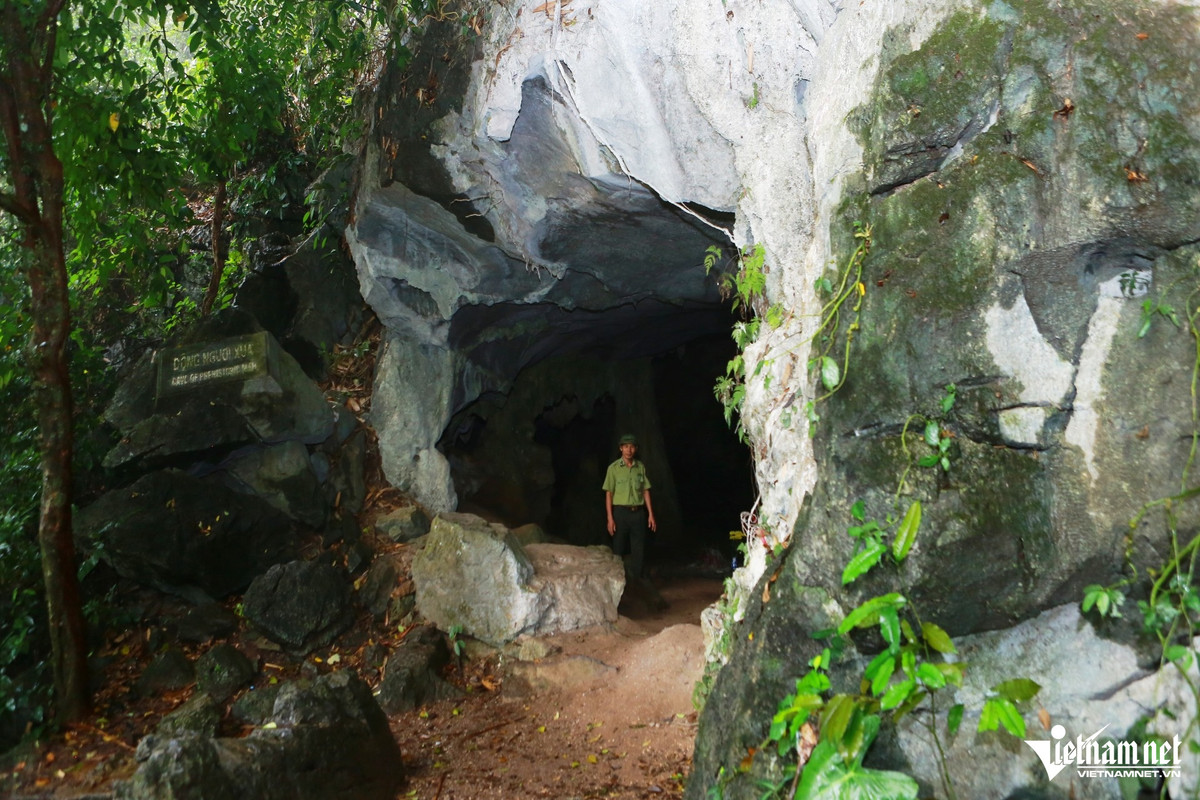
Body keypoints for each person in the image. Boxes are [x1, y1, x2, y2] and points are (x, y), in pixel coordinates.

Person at [602, 433, 657, 579]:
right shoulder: (613, 469)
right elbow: (609, 494)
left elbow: (645, 490)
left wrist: (650, 514)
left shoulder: (640, 467)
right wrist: (610, 518)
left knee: (638, 549)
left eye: (632, 447)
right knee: (618, 547)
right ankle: (616, 581)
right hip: (620, 513)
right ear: (621, 449)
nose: (629, 450)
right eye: (626, 446)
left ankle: (637, 581)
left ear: (636, 449)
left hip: (638, 513)